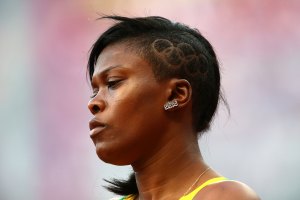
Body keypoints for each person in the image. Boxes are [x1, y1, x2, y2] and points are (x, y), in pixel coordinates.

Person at [87, 15, 260, 200]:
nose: (93, 103)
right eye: (94, 91)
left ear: (176, 95)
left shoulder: (226, 197)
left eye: (113, 83)